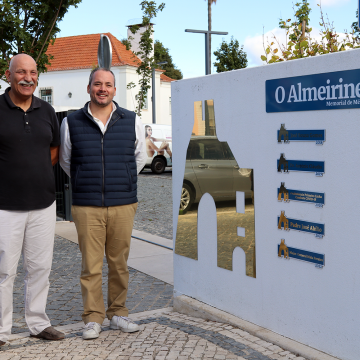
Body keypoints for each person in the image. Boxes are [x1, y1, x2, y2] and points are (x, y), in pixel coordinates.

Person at [59, 68, 147, 340]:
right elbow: (66, 160)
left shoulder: (131, 120)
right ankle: (93, 317)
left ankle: (118, 312)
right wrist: (85, 181)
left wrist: (124, 181)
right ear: (89, 88)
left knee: (119, 263)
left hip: (123, 203)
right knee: (91, 265)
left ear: (114, 90)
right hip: (87, 205)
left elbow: (140, 157)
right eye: (97, 84)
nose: (102, 89)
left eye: (108, 84)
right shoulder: (71, 121)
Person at [0, 54, 64, 345]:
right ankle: (1, 331)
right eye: (21, 72)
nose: (28, 78)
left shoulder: (46, 110)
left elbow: (53, 151)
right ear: (8, 75)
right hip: (4, 205)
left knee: (40, 268)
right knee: (3, 270)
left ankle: (38, 324)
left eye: (33, 72)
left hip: (43, 204)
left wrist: (32, 171)